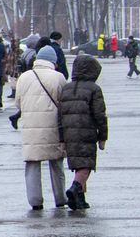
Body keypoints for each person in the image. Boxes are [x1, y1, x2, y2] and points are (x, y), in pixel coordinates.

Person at [11, 52, 67, 209]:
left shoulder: (24, 77)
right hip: (53, 127)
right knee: (56, 163)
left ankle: (35, 201)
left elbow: (18, 103)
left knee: (32, 163)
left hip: (31, 128)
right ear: (52, 61)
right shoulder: (58, 77)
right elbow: (64, 102)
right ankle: (60, 197)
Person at [57, 56, 109, 210]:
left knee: (77, 164)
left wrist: (61, 137)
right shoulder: (94, 89)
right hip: (87, 131)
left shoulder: (66, 88)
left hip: (68, 133)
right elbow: (100, 114)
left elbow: (59, 115)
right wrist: (103, 136)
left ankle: (79, 199)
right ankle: (75, 188)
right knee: (85, 165)